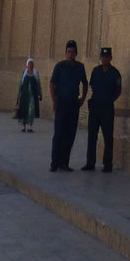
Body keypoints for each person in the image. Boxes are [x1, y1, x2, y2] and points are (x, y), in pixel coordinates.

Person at [48, 39, 88, 172]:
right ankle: (54, 163)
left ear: (76, 53)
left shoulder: (80, 67)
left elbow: (85, 83)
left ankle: (64, 163)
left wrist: (82, 98)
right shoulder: (60, 66)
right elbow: (52, 84)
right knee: (59, 134)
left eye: (73, 52)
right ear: (65, 53)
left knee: (70, 135)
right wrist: (54, 101)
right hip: (62, 103)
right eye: (68, 52)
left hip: (73, 104)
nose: (70, 54)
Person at [81, 46, 121, 171]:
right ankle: (90, 163)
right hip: (95, 107)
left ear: (110, 58)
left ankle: (107, 164)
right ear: (101, 58)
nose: (104, 59)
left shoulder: (115, 73)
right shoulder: (96, 71)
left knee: (108, 136)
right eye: (103, 57)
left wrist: (109, 99)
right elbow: (92, 85)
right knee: (92, 135)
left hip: (107, 108)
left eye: (107, 57)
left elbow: (118, 90)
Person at [15, 58, 42, 131]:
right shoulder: (24, 73)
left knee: (31, 110)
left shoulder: (35, 73)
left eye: (32, 64)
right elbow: (20, 84)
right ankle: (23, 126)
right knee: (24, 109)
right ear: (27, 65)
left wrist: (40, 93)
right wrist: (18, 94)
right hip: (24, 95)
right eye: (29, 64)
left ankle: (30, 126)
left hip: (32, 96)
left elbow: (38, 84)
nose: (31, 65)